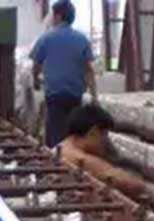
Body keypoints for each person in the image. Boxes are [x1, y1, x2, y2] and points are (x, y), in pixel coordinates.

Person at [60, 103, 154, 217]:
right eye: (105, 135)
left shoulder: (63, 147)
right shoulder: (81, 159)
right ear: (93, 132)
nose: (106, 141)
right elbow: (136, 187)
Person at [30, 1, 97, 147]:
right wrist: (94, 96)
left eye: (53, 15)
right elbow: (89, 70)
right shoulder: (82, 39)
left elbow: (36, 65)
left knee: (55, 138)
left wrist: (35, 82)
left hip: (55, 97)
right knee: (73, 136)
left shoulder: (46, 38)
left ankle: (56, 158)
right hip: (75, 97)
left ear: (58, 16)